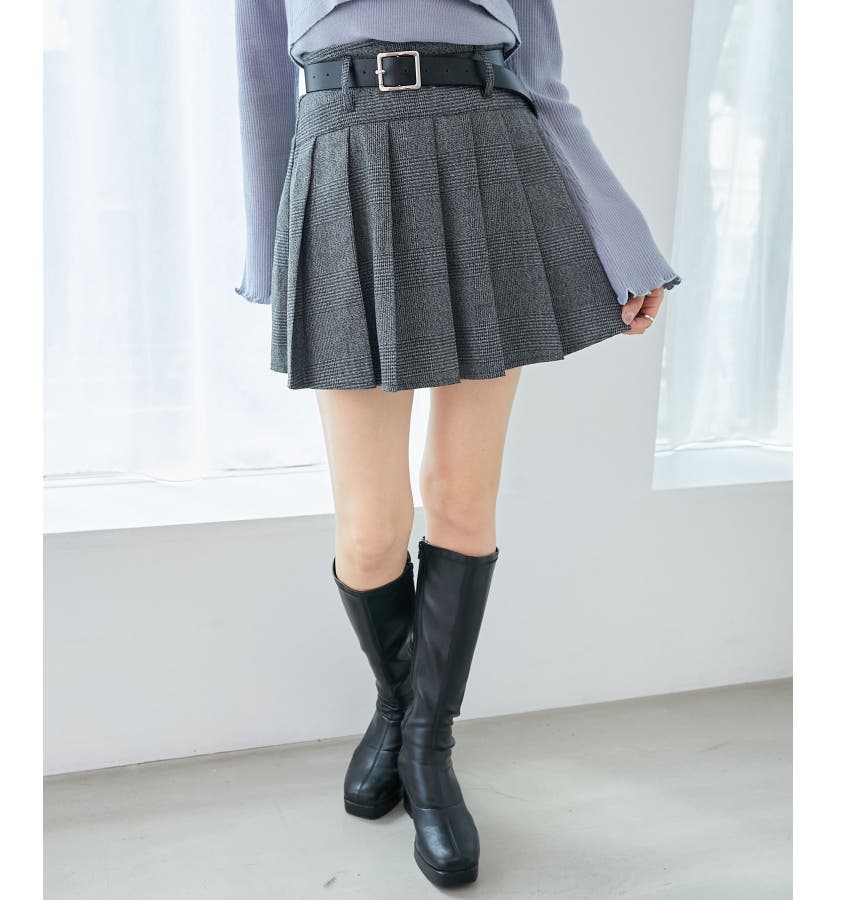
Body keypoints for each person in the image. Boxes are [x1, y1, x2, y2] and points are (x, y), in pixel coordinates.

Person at [234, 0, 680, 887]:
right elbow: (258, 85)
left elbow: (543, 84)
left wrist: (625, 241)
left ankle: (427, 750)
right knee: (370, 529)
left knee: (461, 496)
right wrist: (269, 254)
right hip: (343, 165)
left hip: (488, 163)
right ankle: (400, 707)